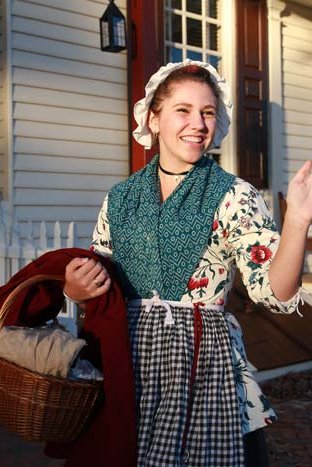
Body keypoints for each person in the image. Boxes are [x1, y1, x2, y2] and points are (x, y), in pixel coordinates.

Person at [64, 59, 312, 467]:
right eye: (183, 110)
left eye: (208, 112)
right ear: (154, 118)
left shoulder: (235, 196)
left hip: (205, 368)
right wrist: (76, 290)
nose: (198, 123)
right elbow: (101, 286)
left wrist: (298, 221)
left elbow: (275, 291)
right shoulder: (121, 198)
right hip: (133, 366)